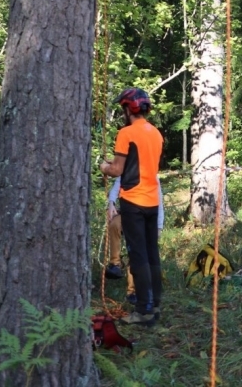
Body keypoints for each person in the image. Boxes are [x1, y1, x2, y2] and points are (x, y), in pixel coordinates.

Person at [99, 88, 164, 325]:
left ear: (130, 108)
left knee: (138, 255)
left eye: (124, 108)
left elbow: (117, 169)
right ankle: (154, 304)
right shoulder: (156, 133)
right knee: (151, 254)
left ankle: (143, 310)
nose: (123, 113)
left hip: (133, 201)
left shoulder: (126, 133)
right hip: (152, 200)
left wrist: (103, 167)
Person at [105, 174, 164, 305]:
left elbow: (159, 202)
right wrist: (111, 203)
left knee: (137, 253)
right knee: (114, 224)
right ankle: (115, 264)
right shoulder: (128, 169)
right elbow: (116, 187)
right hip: (126, 215)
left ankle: (133, 291)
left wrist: (158, 227)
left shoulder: (152, 176)